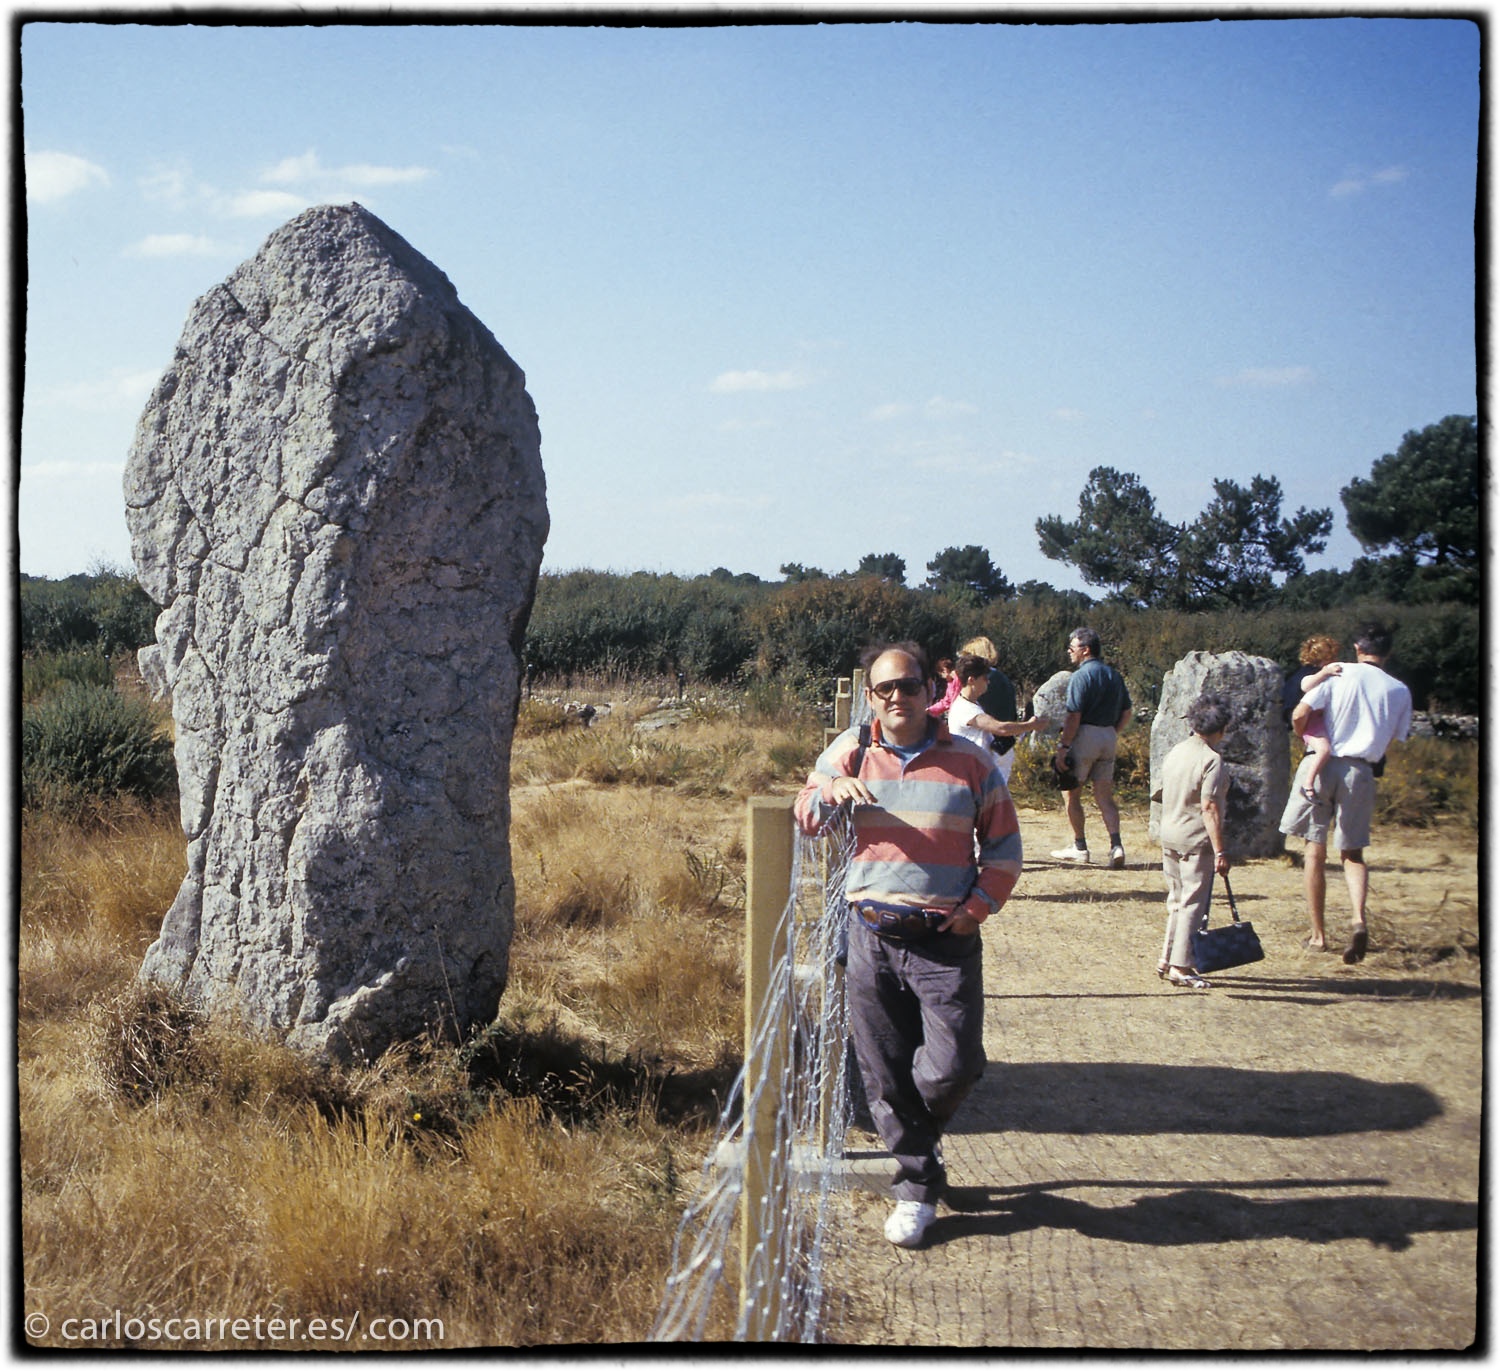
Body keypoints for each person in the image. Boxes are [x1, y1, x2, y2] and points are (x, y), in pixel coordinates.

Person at [795, 641, 1022, 1250]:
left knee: (954, 1067)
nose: (898, 697)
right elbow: (805, 813)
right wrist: (831, 791)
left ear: (931, 690)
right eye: (885, 688)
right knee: (885, 1071)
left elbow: (1004, 850)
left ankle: (914, 1139)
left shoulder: (970, 761)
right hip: (869, 933)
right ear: (870, 697)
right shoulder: (851, 750)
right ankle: (917, 1187)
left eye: (910, 686)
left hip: (944, 940)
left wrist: (975, 912)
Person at [1279, 622, 1412, 962]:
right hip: (1362, 769)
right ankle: (1358, 918)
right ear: (1389, 653)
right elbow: (1396, 739)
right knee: (1353, 853)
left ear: (1357, 647)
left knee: (1314, 850)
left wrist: (1302, 733)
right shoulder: (1399, 690)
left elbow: (1300, 711)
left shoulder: (1337, 674)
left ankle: (1319, 935)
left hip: (1322, 765)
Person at [1156, 693, 1233, 990]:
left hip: (1169, 832)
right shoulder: (1211, 760)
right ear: (1221, 729)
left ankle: (1166, 958)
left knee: (1176, 900)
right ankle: (1181, 965)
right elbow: (1209, 806)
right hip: (1194, 837)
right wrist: (1220, 850)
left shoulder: (1177, 751)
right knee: (1192, 904)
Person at [1049, 628, 1133, 868]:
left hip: (1085, 734)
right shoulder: (1114, 675)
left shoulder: (1080, 677)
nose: (1069, 652)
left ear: (1085, 650)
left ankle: (1080, 846)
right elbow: (1127, 712)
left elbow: (1073, 715)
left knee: (1071, 792)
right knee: (1104, 795)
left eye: (1072, 647)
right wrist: (1112, 733)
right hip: (1108, 734)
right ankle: (1116, 845)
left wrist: (1064, 746)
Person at [946, 653, 1049, 785]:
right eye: (984, 678)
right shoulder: (965, 709)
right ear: (972, 680)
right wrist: (1031, 725)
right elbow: (1000, 728)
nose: (988, 682)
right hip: (972, 778)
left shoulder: (971, 705)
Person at [1282, 635, 1342, 801]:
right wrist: (1325, 672)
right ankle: (1308, 784)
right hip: (1308, 722)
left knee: (1324, 749)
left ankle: (1308, 782)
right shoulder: (1308, 674)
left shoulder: (1304, 672)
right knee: (1324, 749)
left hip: (1311, 720)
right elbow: (1305, 685)